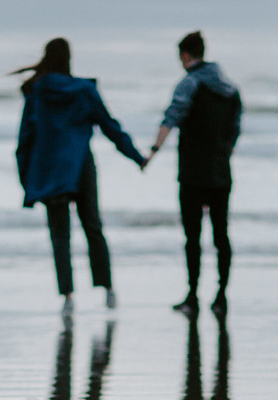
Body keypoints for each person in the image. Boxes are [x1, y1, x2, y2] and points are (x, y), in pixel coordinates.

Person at [13, 38, 147, 313]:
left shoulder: (38, 91)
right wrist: (135, 155)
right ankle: (108, 290)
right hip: (81, 166)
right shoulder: (83, 90)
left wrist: (27, 179)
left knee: (60, 236)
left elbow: (25, 137)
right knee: (93, 227)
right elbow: (109, 125)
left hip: (51, 171)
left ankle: (68, 298)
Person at [145, 31, 242, 317]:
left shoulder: (189, 83)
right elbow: (235, 130)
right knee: (221, 235)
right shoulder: (232, 89)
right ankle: (222, 295)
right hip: (221, 173)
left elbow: (171, 117)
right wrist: (223, 154)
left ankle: (192, 296)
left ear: (186, 56)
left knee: (193, 237)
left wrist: (153, 150)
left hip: (192, 174)